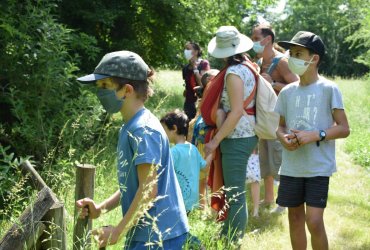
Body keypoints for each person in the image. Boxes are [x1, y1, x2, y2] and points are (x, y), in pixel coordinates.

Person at [75, 51, 189, 249]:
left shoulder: (143, 130)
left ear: (126, 90)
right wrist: (101, 209)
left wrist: (117, 231)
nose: (99, 91)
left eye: (104, 86)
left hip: (159, 236)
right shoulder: (131, 126)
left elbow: (148, 191)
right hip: (145, 233)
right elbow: (135, 184)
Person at [275, 31, 350, 250]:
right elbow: (279, 126)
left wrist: (316, 135)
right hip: (291, 167)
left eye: (298, 53)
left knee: (314, 221)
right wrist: (283, 138)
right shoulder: (287, 92)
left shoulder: (329, 89)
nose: (292, 58)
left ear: (314, 58)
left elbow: (344, 128)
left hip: (318, 167)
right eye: (291, 53)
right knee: (295, 219)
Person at [204, 26, 258, 243]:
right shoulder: (248, 66)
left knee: (235, 195)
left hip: (236, 137)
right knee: (233, 191)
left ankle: (232, 242)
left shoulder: (234, 73)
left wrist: (215, 141)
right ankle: (227, 235)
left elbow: (236, 112)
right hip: (242, 134)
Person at [251, 23, 299, 213]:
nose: (254, 42)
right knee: (266, 161)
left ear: (268, 39)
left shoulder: (281, 61)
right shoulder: (259, 62)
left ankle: (283, 202)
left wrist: (274, 83)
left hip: (280, 120)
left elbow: (296, 85)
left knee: (279, 161)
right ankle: (269, 197)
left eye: (256, 38)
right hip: (264, 119)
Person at [160, 110, 209, 213]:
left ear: (174, 128)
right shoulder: (193, 148)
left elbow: (163, 173)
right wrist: (211, 154)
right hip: (192, 200)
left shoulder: (174, 152)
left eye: (164, 130)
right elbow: (205, 168)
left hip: (176, 200)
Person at [189, 69, 219, 211]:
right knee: (202, 176)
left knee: (213, 176)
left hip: (215, 142)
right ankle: (202, 205)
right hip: (202, 142)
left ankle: (214, 205)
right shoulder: (203, 104)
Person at [182, 42, 210, 121]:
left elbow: (203, 83)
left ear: (196, 51)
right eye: (185, 49)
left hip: (202, 100)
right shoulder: (185, 68)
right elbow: (187, 84)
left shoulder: (204, 64)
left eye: (188, 49)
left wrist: (195, 69)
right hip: (189, 102)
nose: (185, 51)